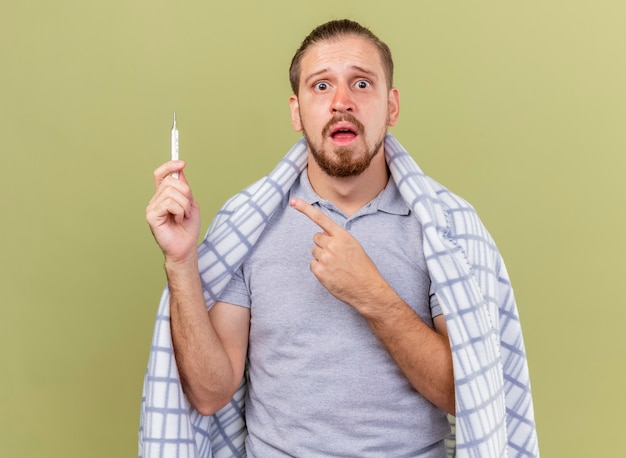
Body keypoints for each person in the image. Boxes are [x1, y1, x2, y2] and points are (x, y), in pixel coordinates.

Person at [141, 19, 538, 458]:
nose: (342, 103)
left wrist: (371, 294)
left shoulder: (446, 232)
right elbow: (209, 394)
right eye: (322, 86)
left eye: (362, 83)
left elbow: (467, 395)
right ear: (296, 111)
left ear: (392, 106)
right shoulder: (247, 225)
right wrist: (180, 261)